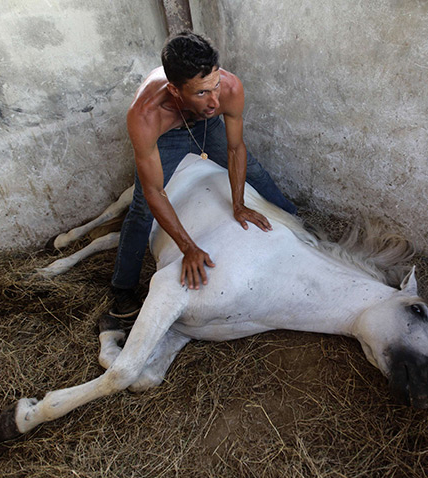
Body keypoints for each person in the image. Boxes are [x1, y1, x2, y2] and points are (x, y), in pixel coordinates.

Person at [109, 31, 296, 319]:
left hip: (206, 128)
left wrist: (239, 204)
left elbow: (235, 149)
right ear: (175, 90)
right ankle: (122, 287)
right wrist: (189, 247)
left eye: (215, 85)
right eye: (201, 92)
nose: (214, 100)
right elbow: (154, 191)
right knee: (141, 210)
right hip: (168, 133)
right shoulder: (145, 115)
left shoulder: (229, 89)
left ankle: (298, 223)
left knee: (255, 170)